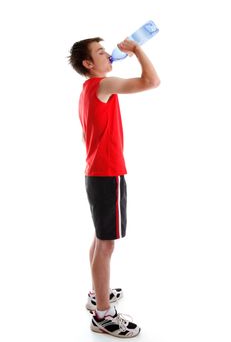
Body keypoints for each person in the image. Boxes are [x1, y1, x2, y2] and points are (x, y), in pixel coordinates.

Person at [68, 36, 160, 338]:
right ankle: (103, 314)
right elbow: (152, 81)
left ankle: (99, 293)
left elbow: (87, 137)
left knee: (100, 237)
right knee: (106, 243)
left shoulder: (87, 91)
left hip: (96, 173)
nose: (109, 55)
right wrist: (136, 50)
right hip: (106, 174)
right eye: (101, 53)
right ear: (88, 64)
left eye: (107, 50)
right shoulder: (103, 85)